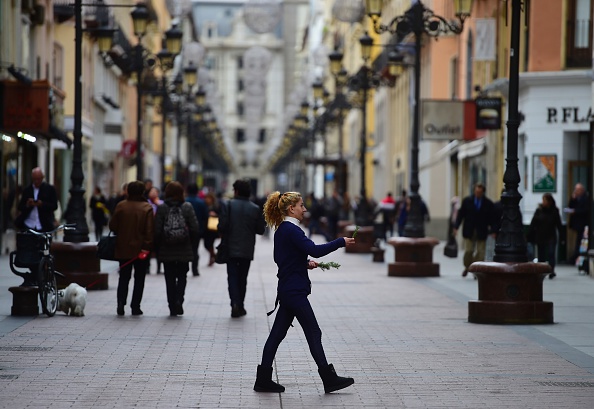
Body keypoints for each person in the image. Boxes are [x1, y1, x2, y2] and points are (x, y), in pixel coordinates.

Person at [253, 191, 355, 394]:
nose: (305, 209)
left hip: (287, 289)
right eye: (301, 205)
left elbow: (282, 257)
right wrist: (340, 242)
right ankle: (328, 378)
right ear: (292, 208)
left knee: (276, 335)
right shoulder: (292, 230)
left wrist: (303, 263)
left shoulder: (282, 229)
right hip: (294, 292)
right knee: (313, 332)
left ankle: (263, 379)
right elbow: (315, 249)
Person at [217, 179, 266, 318]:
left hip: (230, 247)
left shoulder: (228, 205)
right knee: (242, 278)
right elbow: (260, 230)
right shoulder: (255, 208)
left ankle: (234, 304)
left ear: (236, 191)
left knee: (232, 276)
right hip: (247, 248)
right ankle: (241, 305)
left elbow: (222, 226)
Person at [109, 180, 154, 316]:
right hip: (140, 250)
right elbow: (149, 231)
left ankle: (120, 304)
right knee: (139, 278)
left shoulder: (121, 206)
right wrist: (146, 247)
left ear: (128, 191)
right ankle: (135, 306)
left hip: (123, 248)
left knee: (124, 277)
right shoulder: (147, 208)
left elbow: (113, 226)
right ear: (142, 192)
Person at [154, 181, 199, 316]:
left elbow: (157, 230)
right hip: (184, 248)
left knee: (169, 278)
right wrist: (192, 244)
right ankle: (179, 300)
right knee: (182, 276)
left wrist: (157, 247)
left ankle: (172, 306)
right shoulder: (187, 207)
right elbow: (195, 228)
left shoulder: (162, 208)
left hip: (167, 249)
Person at [454, 183, 496, 277]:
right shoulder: (467, 201)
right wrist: (456, 227)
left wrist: (493, 230)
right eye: (476, 191)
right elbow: (461, 215)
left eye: (480, 192)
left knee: (481, 253)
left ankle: (476, 269)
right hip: (469, 230)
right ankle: (467, 266)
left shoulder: (488, 203)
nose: (478, 193)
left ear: (483, 192)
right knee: (469, 251)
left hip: (481, 230)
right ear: (474, 191)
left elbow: (492, 218)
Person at [527, 193, 563, 279]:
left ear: (550, 201)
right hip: (540, 236)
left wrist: (562, 237)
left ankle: (551, 270)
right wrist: (529, 235)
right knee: (541, 254)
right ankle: (541, 270)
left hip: (551, 236)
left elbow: (559, 224)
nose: (543, 202)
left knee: (551, 254)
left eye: (545, 200)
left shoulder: (554, 211)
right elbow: (533, 223)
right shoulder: (539, 210)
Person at [15, 167, 58, 233]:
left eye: (38, 179)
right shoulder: (27, 190)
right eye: (34, 179)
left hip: (44, 225)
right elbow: (20, 206)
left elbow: (54, 205)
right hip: (28, 224)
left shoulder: (49, 189)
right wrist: (28, 204)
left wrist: (42, 204)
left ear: (42, 178)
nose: (36, 182)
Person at [186, 183, 208, 276]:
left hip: (185, 230)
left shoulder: (184, 201)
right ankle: (195, 269)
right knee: (195, 250)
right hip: (197, 230)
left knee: (185, 250)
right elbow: (205, 217)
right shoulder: (201, 202)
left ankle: (185, 269)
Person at [565, 183, 589, 264]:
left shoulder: (585, 199)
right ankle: (575, 257)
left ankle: (577, 257)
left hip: (583, 224)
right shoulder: (576, 198)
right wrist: (573, 199)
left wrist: (575, 211)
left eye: (577, 190)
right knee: (578, 241)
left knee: (580, 241)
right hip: (576, 224)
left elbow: (585, 210)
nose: (576, 191)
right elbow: (570, 206)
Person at [203, 192, 220, 266]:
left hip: (213, 228)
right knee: (207, 244)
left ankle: (212, 258)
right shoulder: (204, 206)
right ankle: (214, 256)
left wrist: (215, 215)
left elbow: (221, 215)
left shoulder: (216, 206)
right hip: (206, 228)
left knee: (210, 243)